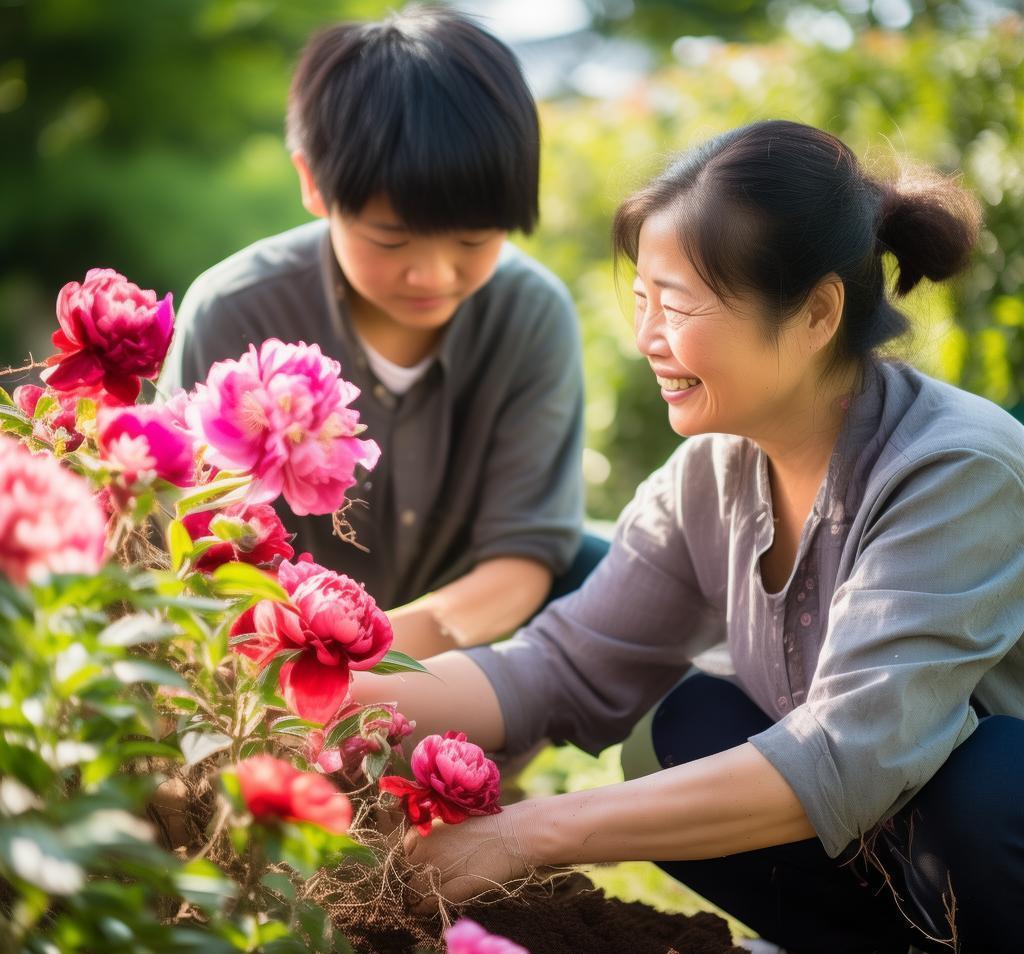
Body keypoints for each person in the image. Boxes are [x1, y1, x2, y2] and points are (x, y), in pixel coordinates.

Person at [354, 121, 1024, 953]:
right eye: (642, 300)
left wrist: (526, 833)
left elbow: (848, 753)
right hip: (901, 850)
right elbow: (561, 666)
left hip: (988, 838)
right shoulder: (713, 469)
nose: (647, 339)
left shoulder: (956, 469)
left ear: (816, 313)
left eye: (675, 305)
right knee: (686, 730)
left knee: (989, 787)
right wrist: (316, 696)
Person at [161, 6, 595, 659]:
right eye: (391, 238)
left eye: (474, 240)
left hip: (451, 682)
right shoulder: (236, 312)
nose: (433, 274)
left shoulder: (529, 316)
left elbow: (523, 559)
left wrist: (366, 659)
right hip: (255, 677)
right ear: (312, 182)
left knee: (602, 563)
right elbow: (180, 542)